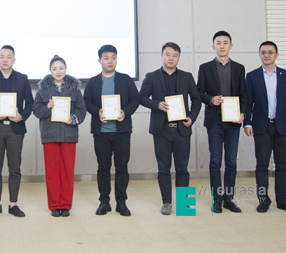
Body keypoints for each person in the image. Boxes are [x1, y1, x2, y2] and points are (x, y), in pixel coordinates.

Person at [138, 42, 201, 215]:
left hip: (182, 129)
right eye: (168, 54)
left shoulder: (187, 77)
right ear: (162, 56)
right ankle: (166, 202)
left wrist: (192, 117)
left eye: (175, 55)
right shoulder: (151, 76)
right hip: (162, 130)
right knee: (164, 168)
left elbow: (196, 99)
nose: (171, 58)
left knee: (183, 169)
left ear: (179, 57)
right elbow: (141, 97)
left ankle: (184, 203)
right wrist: (156, 104)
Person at [84, 45, 140, 216]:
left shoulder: (126, 80)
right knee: (103, 168)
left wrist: (125, 112)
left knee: (122, 168)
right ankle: (104, 202)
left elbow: (135, 100)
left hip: (122, 132)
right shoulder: (93, 82)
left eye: (113, 57)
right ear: (99, 60)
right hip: (101, 132)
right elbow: (87, 103)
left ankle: (121, 202)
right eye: (106, 58)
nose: (110, 61)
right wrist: (97, 112)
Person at [244, 41, 286, 213]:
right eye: (263, 52)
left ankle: (282, 200)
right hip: (261, 127)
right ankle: (263, 200)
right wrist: (247, 122)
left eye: (270, 52)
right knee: (262, 165)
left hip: (283, 126)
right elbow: (249, 102)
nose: (266, 55)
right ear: (259, 55)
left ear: (276, 55)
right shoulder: (252, 76)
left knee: (282, 165)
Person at [0, 45, 34, 217]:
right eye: (2, 56)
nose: (5, 60)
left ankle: (13, 204)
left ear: (14, 60)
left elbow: (30, 103)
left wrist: (21, 116)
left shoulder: (22, 78)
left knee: (14, 168)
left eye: (8, 57)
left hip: (15, 129)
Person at [197, 31, 247, 214]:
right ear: (213, 46)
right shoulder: (205, 68)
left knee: (231, 161)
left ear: (230, 46)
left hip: (233, 121)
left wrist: (242, 113)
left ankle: (229, 199)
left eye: (225, 42)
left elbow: (244, 94)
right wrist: (211, 99)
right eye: (218, 43)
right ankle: (217, 199)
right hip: (215, 120)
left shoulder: (239, 68)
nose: (222, 46)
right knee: (215, 161)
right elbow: (199, 92)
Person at [33, 55, 87, 217]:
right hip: (49, 135)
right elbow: (36, 111)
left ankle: (65, 205)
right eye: (54, 69)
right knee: (52, 172)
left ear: (66, 69)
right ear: (50, 70)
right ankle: (54, 205)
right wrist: (47, 107)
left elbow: (82, 110)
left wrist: (73, 119)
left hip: (69, 135)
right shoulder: (43, 90)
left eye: (61, 68)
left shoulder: (75, 89)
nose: (58, 71)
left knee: (67, 172)